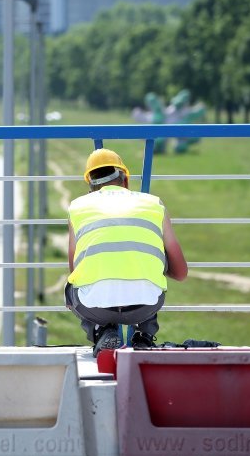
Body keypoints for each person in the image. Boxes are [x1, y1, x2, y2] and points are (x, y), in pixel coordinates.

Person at [64, 148, 187, 357]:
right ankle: (144, 337)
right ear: (126, 180)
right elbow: (181, 273)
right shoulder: (154, 204)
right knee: (150, 268)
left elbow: (76, 269)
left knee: (73, 285)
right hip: (145, 306)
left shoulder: (77, 207)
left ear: (90, 186)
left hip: (94, 307)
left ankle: (101, 331)